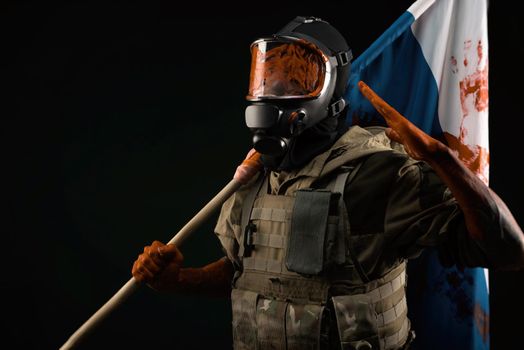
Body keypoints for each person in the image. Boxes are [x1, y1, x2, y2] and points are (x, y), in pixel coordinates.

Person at [131, 16, 524, 349]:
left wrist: (445, 161)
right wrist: (179, 281)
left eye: (297, 77)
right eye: (269, 76)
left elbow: (507, 251)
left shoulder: (377, 172)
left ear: (329, 87)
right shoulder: (256, 173)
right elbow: (246, 274)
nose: (276, 91)